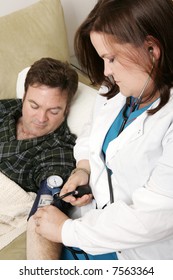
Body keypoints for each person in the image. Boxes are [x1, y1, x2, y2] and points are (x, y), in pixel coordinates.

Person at [33, 0, 173, 260]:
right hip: (96, 227)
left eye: (112, 58)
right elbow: (91, 132)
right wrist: (84, 169)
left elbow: (155, 216)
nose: (106, 71)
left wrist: (66, 231)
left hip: (145, 256)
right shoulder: (117, 90)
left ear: (152, 49)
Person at [0, 57, 78, 259]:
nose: (41, 118)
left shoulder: (58, 151)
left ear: (67, 109)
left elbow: (45, 213)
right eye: (34, 106)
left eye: (53, 111)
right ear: (24, 96)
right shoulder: (6, 109)